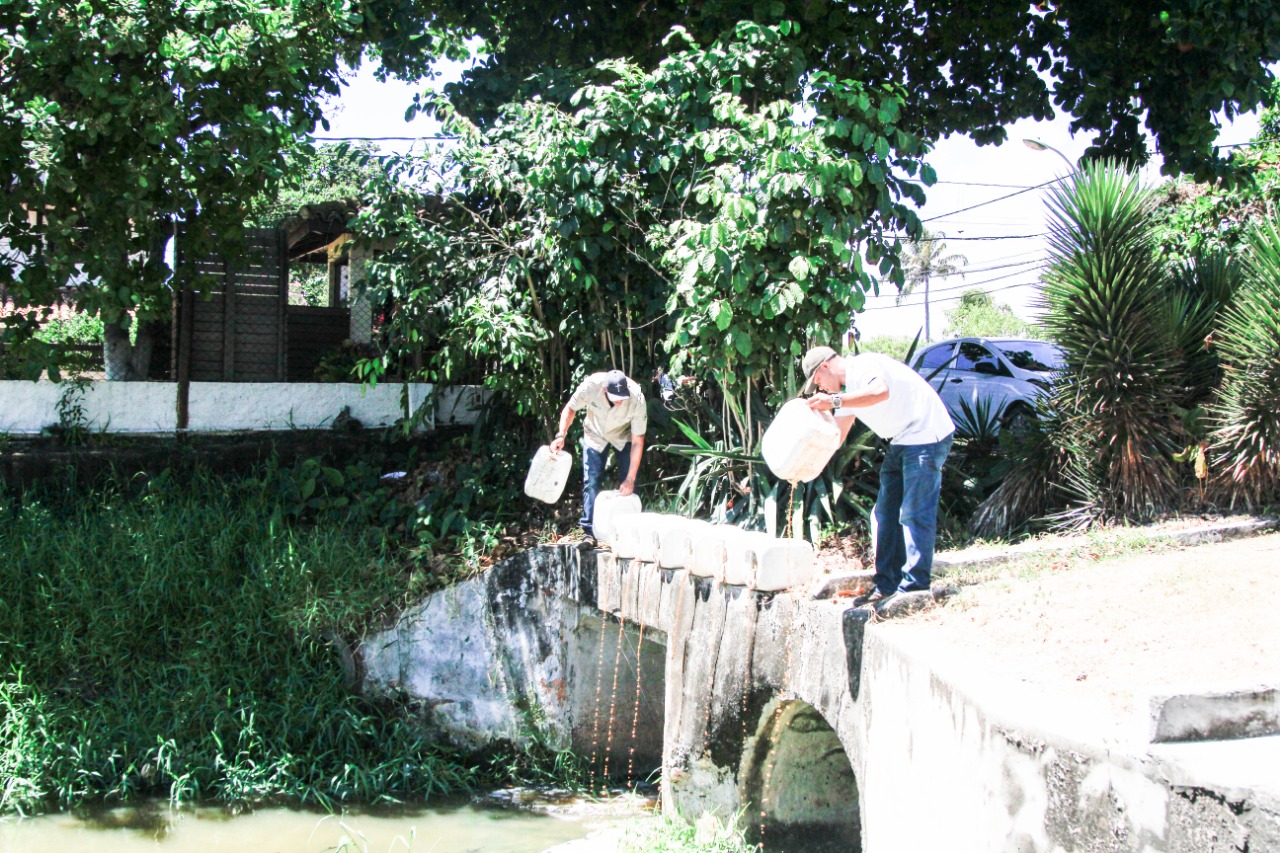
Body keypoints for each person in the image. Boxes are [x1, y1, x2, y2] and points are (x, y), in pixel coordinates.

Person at [802, 345, 955, 604]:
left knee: (914, 512)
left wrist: (834, 401)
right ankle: (887, 584)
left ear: (825, 367)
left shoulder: (863, 366)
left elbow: (879, 392)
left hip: (927, 432)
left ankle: (915, 587)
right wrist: (805, 459)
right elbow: (836, 438)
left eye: (818, 380)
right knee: (885, 513)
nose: (821, 388)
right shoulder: (847, 395)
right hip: (903, 439)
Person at [550, 369, 647, 545]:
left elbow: (637, 441)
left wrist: (630, 478)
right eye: (615, 396)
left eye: (622, 396)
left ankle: (630, 534)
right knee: (592, 481)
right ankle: (589, 532)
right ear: (604, 390)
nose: (619, 400)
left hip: (623, 436)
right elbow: (570, 408)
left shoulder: (637, 397)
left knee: (629, 483)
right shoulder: (591, 386)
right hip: (595, 434)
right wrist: (560, 435)